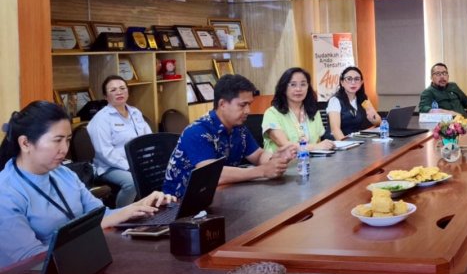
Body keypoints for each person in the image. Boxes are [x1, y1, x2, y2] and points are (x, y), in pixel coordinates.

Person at [0, 101, 173, 267]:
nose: (65, 149)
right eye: (57, 140)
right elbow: (29, 260)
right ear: (25, 143)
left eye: (68, 140)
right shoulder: (6, 192)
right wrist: (98, 226)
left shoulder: (64, 173)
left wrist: (140, 206)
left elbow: (100, 215)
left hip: (80, 263)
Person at [162, 74, 293, 198]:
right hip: (181, 203)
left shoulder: (238, 128)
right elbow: (213, 175)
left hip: (222, 195)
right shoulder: (196, 132)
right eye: (242, 105)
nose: (248, 111)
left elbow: (258, 156)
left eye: (249, 104)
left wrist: (275, 159)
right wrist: (262, 171)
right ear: (222, 104)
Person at [86, 75, 153, 207]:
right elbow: (104, 153)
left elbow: (148, 139)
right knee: (132, 182)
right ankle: (120, 214)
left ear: (128, 91)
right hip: (109, 167)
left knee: (161, 171)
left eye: (122, 88)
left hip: (137, 163)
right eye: (113, 90)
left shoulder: (135, 113)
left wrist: (150, 160)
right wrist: (130, 166)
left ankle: (151, 209)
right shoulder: (101, 119)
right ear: (106, 96)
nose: (119, 92)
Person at [263, 67, 335, 152]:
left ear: (308, 87)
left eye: (303, 84)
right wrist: (315, 147)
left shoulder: (313, 112)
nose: (298, 89)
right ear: (284, 88)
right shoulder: (272, 113)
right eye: (293, 85)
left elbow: (318, 142)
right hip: (281, 160)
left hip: (311, 159)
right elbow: (284, 145)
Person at [327, 66, 382, 141]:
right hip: (339, 143)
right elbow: (335, 130)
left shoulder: (363, 99)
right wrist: (346, 145)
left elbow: (379, 122)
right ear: (342, 82)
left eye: (357, 79)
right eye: (349, 79)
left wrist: (373, 118)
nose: (353, 82)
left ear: (361, 82)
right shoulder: (335, 100)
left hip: (357, 141)